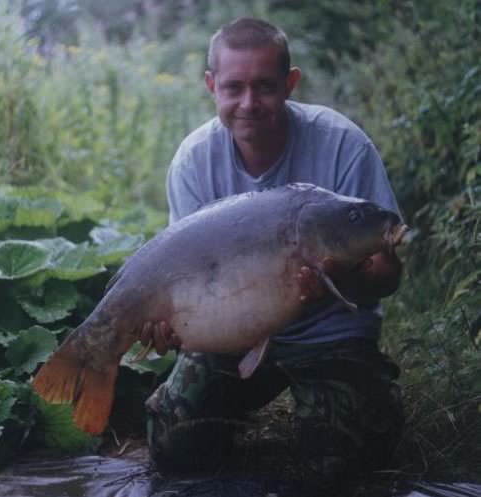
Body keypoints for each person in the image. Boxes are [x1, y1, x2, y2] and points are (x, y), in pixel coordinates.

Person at [141, 17, 404, 480]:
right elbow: (188, 286)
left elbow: (387, 277)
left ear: (290, 83)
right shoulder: (194, 161)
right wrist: (170, 327)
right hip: (232, 334)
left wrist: (339, 277)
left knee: (348, 464)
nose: (248, 103)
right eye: (234, 87)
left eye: (264, 87)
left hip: (331, 336)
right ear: (211, 85)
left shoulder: (343, 145)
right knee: (173, 446)